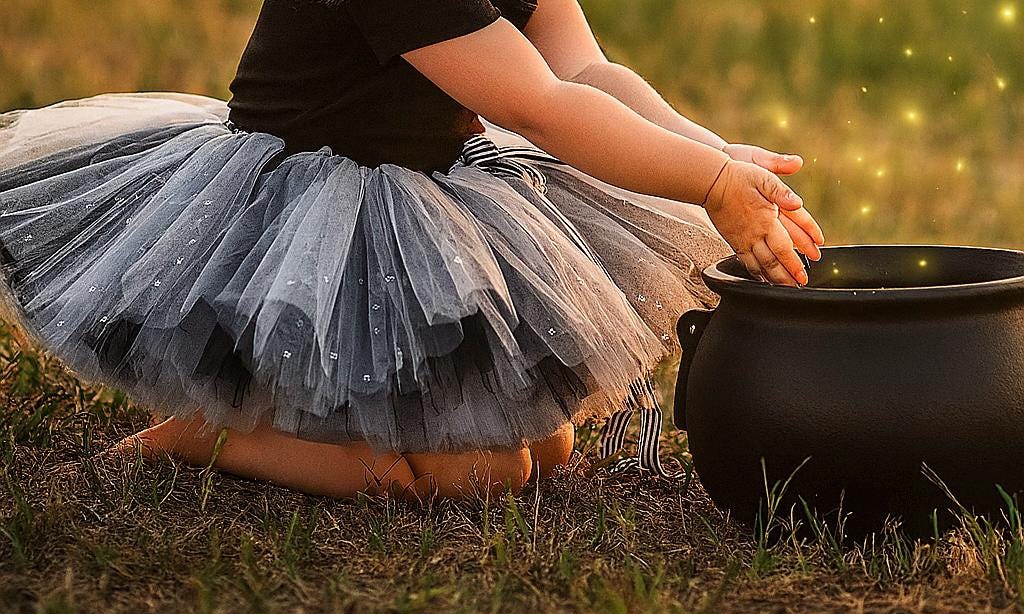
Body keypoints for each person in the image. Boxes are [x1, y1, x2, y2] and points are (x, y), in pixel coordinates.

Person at [0, 0, 823, 502]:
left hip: (425, 186)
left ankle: (307, 425)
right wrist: (706, 182)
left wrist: (719, 155)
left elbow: (585, 69)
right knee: (474, 478)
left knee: (547, 446)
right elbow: (541, 105)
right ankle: (198, 433)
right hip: (306, 222)